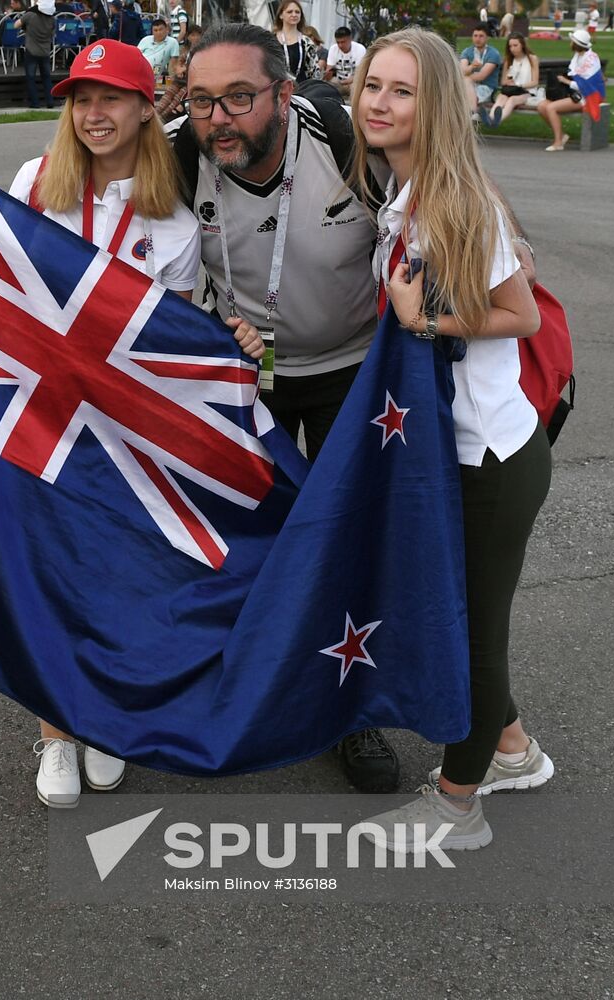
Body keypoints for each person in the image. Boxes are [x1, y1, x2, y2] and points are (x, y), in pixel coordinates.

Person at [0, 40, 234, 808]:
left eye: (111, 99)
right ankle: (56, 729)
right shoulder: (31, 182)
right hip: (38, 415)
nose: (94, 114)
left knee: (119, 573)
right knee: (48, 571)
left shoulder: (177, 221)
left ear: (146, 106)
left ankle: (105, 719)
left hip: (124, 433)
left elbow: (174, 337)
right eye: (80, 99)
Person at [171, 22, 402, 792]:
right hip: (243, 375)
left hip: (351, 372)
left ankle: (355, 712)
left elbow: (444, 201)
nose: (219, 119)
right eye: (203, 100)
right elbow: (72, 200)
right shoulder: (176, 153)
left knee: (348, 539)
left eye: (239, 97)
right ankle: (234, 686)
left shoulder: (341, 140)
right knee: (230, 539)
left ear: (284, 92)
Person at [351, 27, 552, 852]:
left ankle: (456, 807)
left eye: (402, 91)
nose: (380, 103)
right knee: (465, 614)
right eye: (372, 86)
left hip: (490, 458)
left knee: (471, 630)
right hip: (447, 449)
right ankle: (513, 751)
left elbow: (521, 314)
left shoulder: (456, 200)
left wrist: (421, 318)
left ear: (434, 106)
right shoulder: (402, 194)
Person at [536, 27, 601, 152]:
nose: (570, 43)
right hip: (574, 94)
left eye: (572, 41)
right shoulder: (578, 56)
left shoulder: (590, 60)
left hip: (586, 97)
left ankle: (558, 143)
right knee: (541, 106)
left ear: (577, 44)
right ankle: (561, 135)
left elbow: (586, 85)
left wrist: (567, 82)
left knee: (551, 107)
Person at [485, 31, 541, 126]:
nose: (512, 49)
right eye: (510, 46)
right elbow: (503, 81)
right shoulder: (509, 60)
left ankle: (496, 121)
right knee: (501, 98)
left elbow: (535, 82)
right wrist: (508, 82)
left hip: (527, 92)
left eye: (515, 45)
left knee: (512, 100)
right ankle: (490, 118)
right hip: (511, 90)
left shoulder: (532, 58)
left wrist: (519, 85)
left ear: (522, 45)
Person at [19, 0, 55, 109]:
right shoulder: (52, 20)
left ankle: (35, 103)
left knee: (31, 77)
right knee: (47, 78)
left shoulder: (30, 16)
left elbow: (16, 24)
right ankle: (50, 101)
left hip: (31, 50)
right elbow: (53, 33)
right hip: (45, 51)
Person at [459, 23, 502, 113]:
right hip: (468, 85)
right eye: (475, 36)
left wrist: (466, 77)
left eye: (481, 36)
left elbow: (481, 76)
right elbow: (462, 71)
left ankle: (472, 113)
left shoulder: (493, 54)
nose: (477, 39)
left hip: (487, 88)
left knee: (464, 88)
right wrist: (471, 66)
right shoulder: (467, 51)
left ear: (487, 38)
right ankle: (471, 116)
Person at [271, 0, 317, 82]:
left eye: (297, 12)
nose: (294, 15)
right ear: (281, 15)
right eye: (289, 12)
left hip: (302, 89)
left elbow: (313, 71)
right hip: (277, 88)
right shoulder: (270, 40)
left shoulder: (307, 42)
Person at [325, 24, 365, 96]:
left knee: (356, 86)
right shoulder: (333, 49)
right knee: (328, 86)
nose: (340, 45)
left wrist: (344, 82)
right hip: (338, 81)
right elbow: (329, 70)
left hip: (353, 81)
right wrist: (328, 74)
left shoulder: (360, 49)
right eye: (338, 42)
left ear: (350, 39)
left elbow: (359, 74)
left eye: (343, 42)